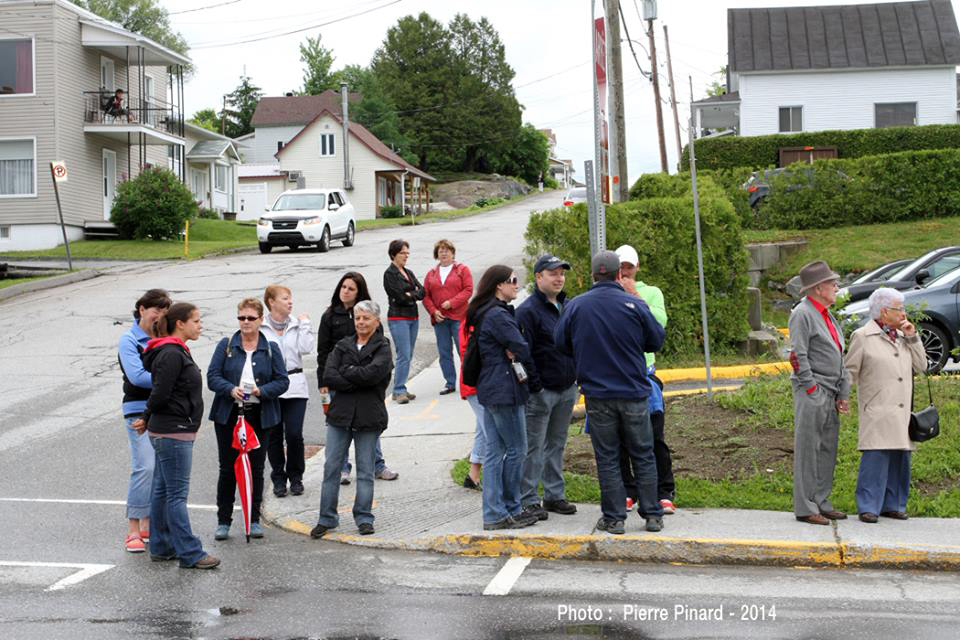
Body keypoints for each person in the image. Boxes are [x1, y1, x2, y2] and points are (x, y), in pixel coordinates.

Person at [554, 251, 666, 535]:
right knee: (643, 453)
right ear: (619, 275)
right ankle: (653, 515)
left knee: (608, 457)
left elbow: (560, 343)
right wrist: (638, 302)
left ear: (592, 276)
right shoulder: (634, 304)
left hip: (597, 394)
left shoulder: (577, 306)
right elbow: (656, 340)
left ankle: (615, 518)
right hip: (634, 392)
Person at [133, 303, 219, 569]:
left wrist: (149, 418)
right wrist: (147, 416)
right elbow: (160, 392)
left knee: (162, 490)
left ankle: (161, 545)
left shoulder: (171, 350)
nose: (200, 325)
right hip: (173, 431)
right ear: (180, 324)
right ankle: (190, 552)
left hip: (169, 429)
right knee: (177, 495)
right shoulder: (171, 353)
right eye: (195, 320)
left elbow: (163, 391)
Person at [206, 298, 289, 541]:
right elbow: (212, 377)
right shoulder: (227, 345)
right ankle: (224, 520)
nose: (245, 322)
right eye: (241, 317)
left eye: (251, 318)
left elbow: (282, 381)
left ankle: (253, 519)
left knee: (256, 467)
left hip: (259, 415)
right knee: (227, 468)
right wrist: (230, 389)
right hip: (229, 414)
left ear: (260, 320)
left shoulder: (270, 348)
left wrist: (262, 391)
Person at [311, 300, 394, 538]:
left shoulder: (383, 347)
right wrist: (357, 378)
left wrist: (346, 373)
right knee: (331, 468)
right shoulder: (343, 345)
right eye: (357, 318)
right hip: (340, 415)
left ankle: (364, 518)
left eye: (366, 318)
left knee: (366, 470)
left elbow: (374, 375)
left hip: (369, 416)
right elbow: (329, 374)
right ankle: (327, 518)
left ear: (376, 321)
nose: (361, 322)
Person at [844, 287, 927, 523]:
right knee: (876, 458)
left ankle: (894, 504)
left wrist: (913, 336)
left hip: (901, 408)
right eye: (898, 309)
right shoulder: (862, 336)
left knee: (901, 459)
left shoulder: (903, 336)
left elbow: (922, 366)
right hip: (877, 407)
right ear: (883, 312)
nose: (903, 313)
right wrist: (842, 397)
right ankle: (868, 506)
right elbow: (850, 371)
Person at [469, 265, 539, 530]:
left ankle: (495, 513)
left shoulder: (489, 312)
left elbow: (515, 346)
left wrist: (513, 348)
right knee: (517, 449)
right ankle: (510, 507)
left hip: (492, 389)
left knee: (495, 453)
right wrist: (514, 348)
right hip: (504, 390)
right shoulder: (497, 315)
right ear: (499, 285)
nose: (517, 285)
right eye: (512, 281)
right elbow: (521, 345)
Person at [317, 272, 398, 484]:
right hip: (339, 379)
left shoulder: (368, 317)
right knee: (339, 425)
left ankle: (377, 465)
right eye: (343, 287)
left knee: (369, 426)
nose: (345, 291)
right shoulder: (329, 316)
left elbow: (380, 356)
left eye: (351, 288)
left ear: (359, 293)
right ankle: (343, 469)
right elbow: (323, 352)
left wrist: (364, 376)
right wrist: (323, 383)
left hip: (365, 384)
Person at [788, 260, 851, 526]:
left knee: (827, 449)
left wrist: (843, 392)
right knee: (808, 449)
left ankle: (821, 501)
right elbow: (797, 355)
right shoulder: (802, 313)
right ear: (817, 288)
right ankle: (805, 507)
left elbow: (839, 354)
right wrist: (811, 388)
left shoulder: (827, 314)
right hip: (813, 391)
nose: (836, 287)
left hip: (831, 390)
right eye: (832, 283)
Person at [516, 255, 579, 521]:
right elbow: (522, 353)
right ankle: (529, 499)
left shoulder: (567, 306)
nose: (559, 278)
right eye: (552, 273)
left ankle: (554, 495)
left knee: (557, 444)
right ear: (538, 277)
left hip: (567, 389)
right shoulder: (527, 311)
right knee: (534, 447)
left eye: (561, 273)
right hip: (541, 393)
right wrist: (536, 388)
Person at [614, 244, 675, 515]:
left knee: (655, 436)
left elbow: (659, 322)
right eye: (620, 268)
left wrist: (635, 295)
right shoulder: (608, 294)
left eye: (629, 267)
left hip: (644, 372)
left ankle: (664, 490)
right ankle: (630, 490)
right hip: (618, 372)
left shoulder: (651, 292)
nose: (625, 272)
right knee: (621, 438)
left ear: (637, 268)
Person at [117, 288, 171, 553]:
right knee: (145, 466)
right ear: (142, 310)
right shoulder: (129, 340)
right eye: (156, 310)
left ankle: (150, 522)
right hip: (138, 408)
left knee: (160, 468)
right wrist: (169, 381)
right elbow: (137, 377)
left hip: (164, 409)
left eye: (164, 311)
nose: (159, 316)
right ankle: (133, 529)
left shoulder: (165, 338)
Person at [260, 285, 314, 498]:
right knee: (273, 435)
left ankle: (296, 476)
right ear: (272, 302)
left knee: (294, 434)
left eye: (290, 298)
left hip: (295, 384)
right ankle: (278, 478)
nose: (290, 302)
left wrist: (306, 324)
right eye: (285, 298)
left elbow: (307, 348)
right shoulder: (261, 326)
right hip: (272, 387)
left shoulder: (296, 323)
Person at [422, 239, 474, 395]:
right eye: (440, 250)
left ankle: (469, 380)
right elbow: (425, 296)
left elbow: (468, 290)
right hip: (440, 320)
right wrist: (433, 311)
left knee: (463, 350)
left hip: (458, 317)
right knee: (444, 352)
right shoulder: (431, 274)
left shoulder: (462, 270)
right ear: (437, 255)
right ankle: (450, 382)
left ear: (453, 253)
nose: (443, 253)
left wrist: (451, 303)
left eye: (446, 250)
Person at [383, 239, 425, 404]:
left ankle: (402, 388)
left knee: (409, 354)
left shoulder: (408, 272)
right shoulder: (390, 274)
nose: (406, 256)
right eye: (403, 253)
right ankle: (398, 390)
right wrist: (410, 294)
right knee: (404, 354)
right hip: (398, 318)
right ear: (394, 254)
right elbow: (399, 297)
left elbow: (423, 291)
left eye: (407, 253)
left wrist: (411, 294)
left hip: (413, 317)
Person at [458, 317, 485, 490]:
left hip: (481, 385)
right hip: (477, 385)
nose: (515, 287)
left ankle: (473, 475)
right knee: (494, 434)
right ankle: (497, 482)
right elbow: (468, 353)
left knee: (483, 430)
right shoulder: (474, 320)